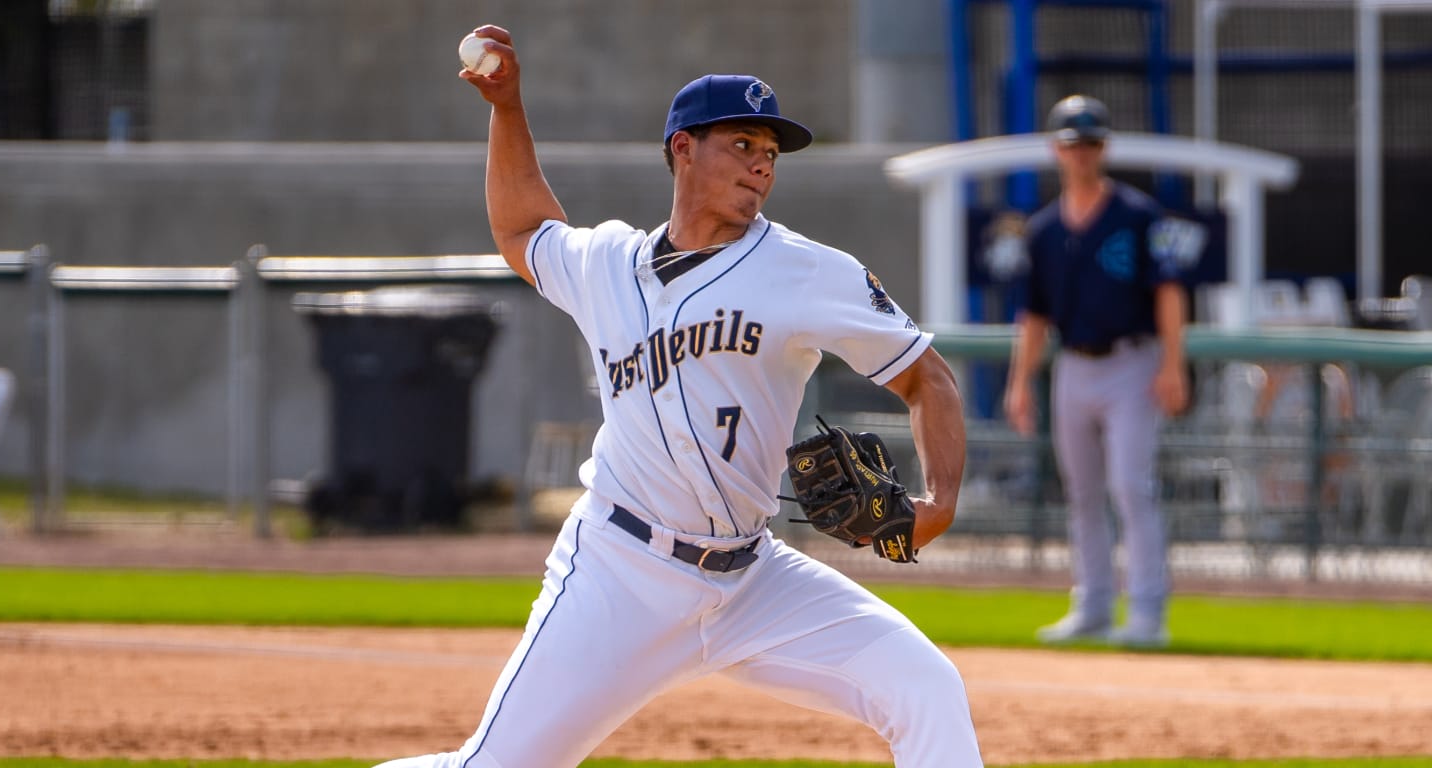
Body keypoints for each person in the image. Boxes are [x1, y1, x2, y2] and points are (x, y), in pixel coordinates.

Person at [372, 25, 983, 768]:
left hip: (756, 579)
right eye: (742, 145)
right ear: (683, 148)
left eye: (770, 153)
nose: (761, 166)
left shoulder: (807, 271)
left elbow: (929, 378)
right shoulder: (608, 264)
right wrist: (506, 107)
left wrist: (940, 501)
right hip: (619, 574)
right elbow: (522, 228)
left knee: (926, 686)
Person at [1002, 95, 1193, 649]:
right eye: (1071, 143)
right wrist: (1020, 382)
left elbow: (1169, 291)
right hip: (1073, 367)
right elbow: (1033, 314)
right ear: (1056, 151)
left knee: (1132, 486)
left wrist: (1174, 365)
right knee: (1082, 492)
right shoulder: (1041, 230)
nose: (1081, 153)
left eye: (1089, 143)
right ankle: (1091, 604)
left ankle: (1148, 612)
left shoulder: (1138, 215)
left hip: (1133, 361)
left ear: (1103, 148)